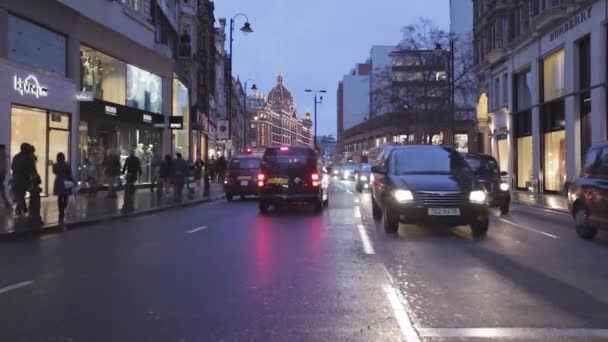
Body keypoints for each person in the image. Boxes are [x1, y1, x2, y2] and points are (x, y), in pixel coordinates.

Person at [11, 143, 36, 215]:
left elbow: (13, 167)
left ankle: (23, 208)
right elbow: (32, 169)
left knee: (20, 194)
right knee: (21, 194)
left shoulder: (16, 157)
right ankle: (19, 209)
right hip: (24, 179)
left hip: (16, 178)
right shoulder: (28, 157)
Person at [52, 152, 74, 223]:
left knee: (60, 196)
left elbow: (54, 172)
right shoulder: (66, 164)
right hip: (66, 181)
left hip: (58, 181)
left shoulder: (55, 165)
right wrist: (72, 180)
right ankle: (63, 207)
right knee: (66, 195)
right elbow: (69, 173)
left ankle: (61, 210)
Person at [0, 145, 11, 209]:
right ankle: (6, 204)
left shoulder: (4, 156)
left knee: (2, 189)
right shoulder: (4, 156)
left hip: (1, 174)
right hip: (1, 174)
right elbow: (4, 168)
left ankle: (6, 204)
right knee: (2, 189)